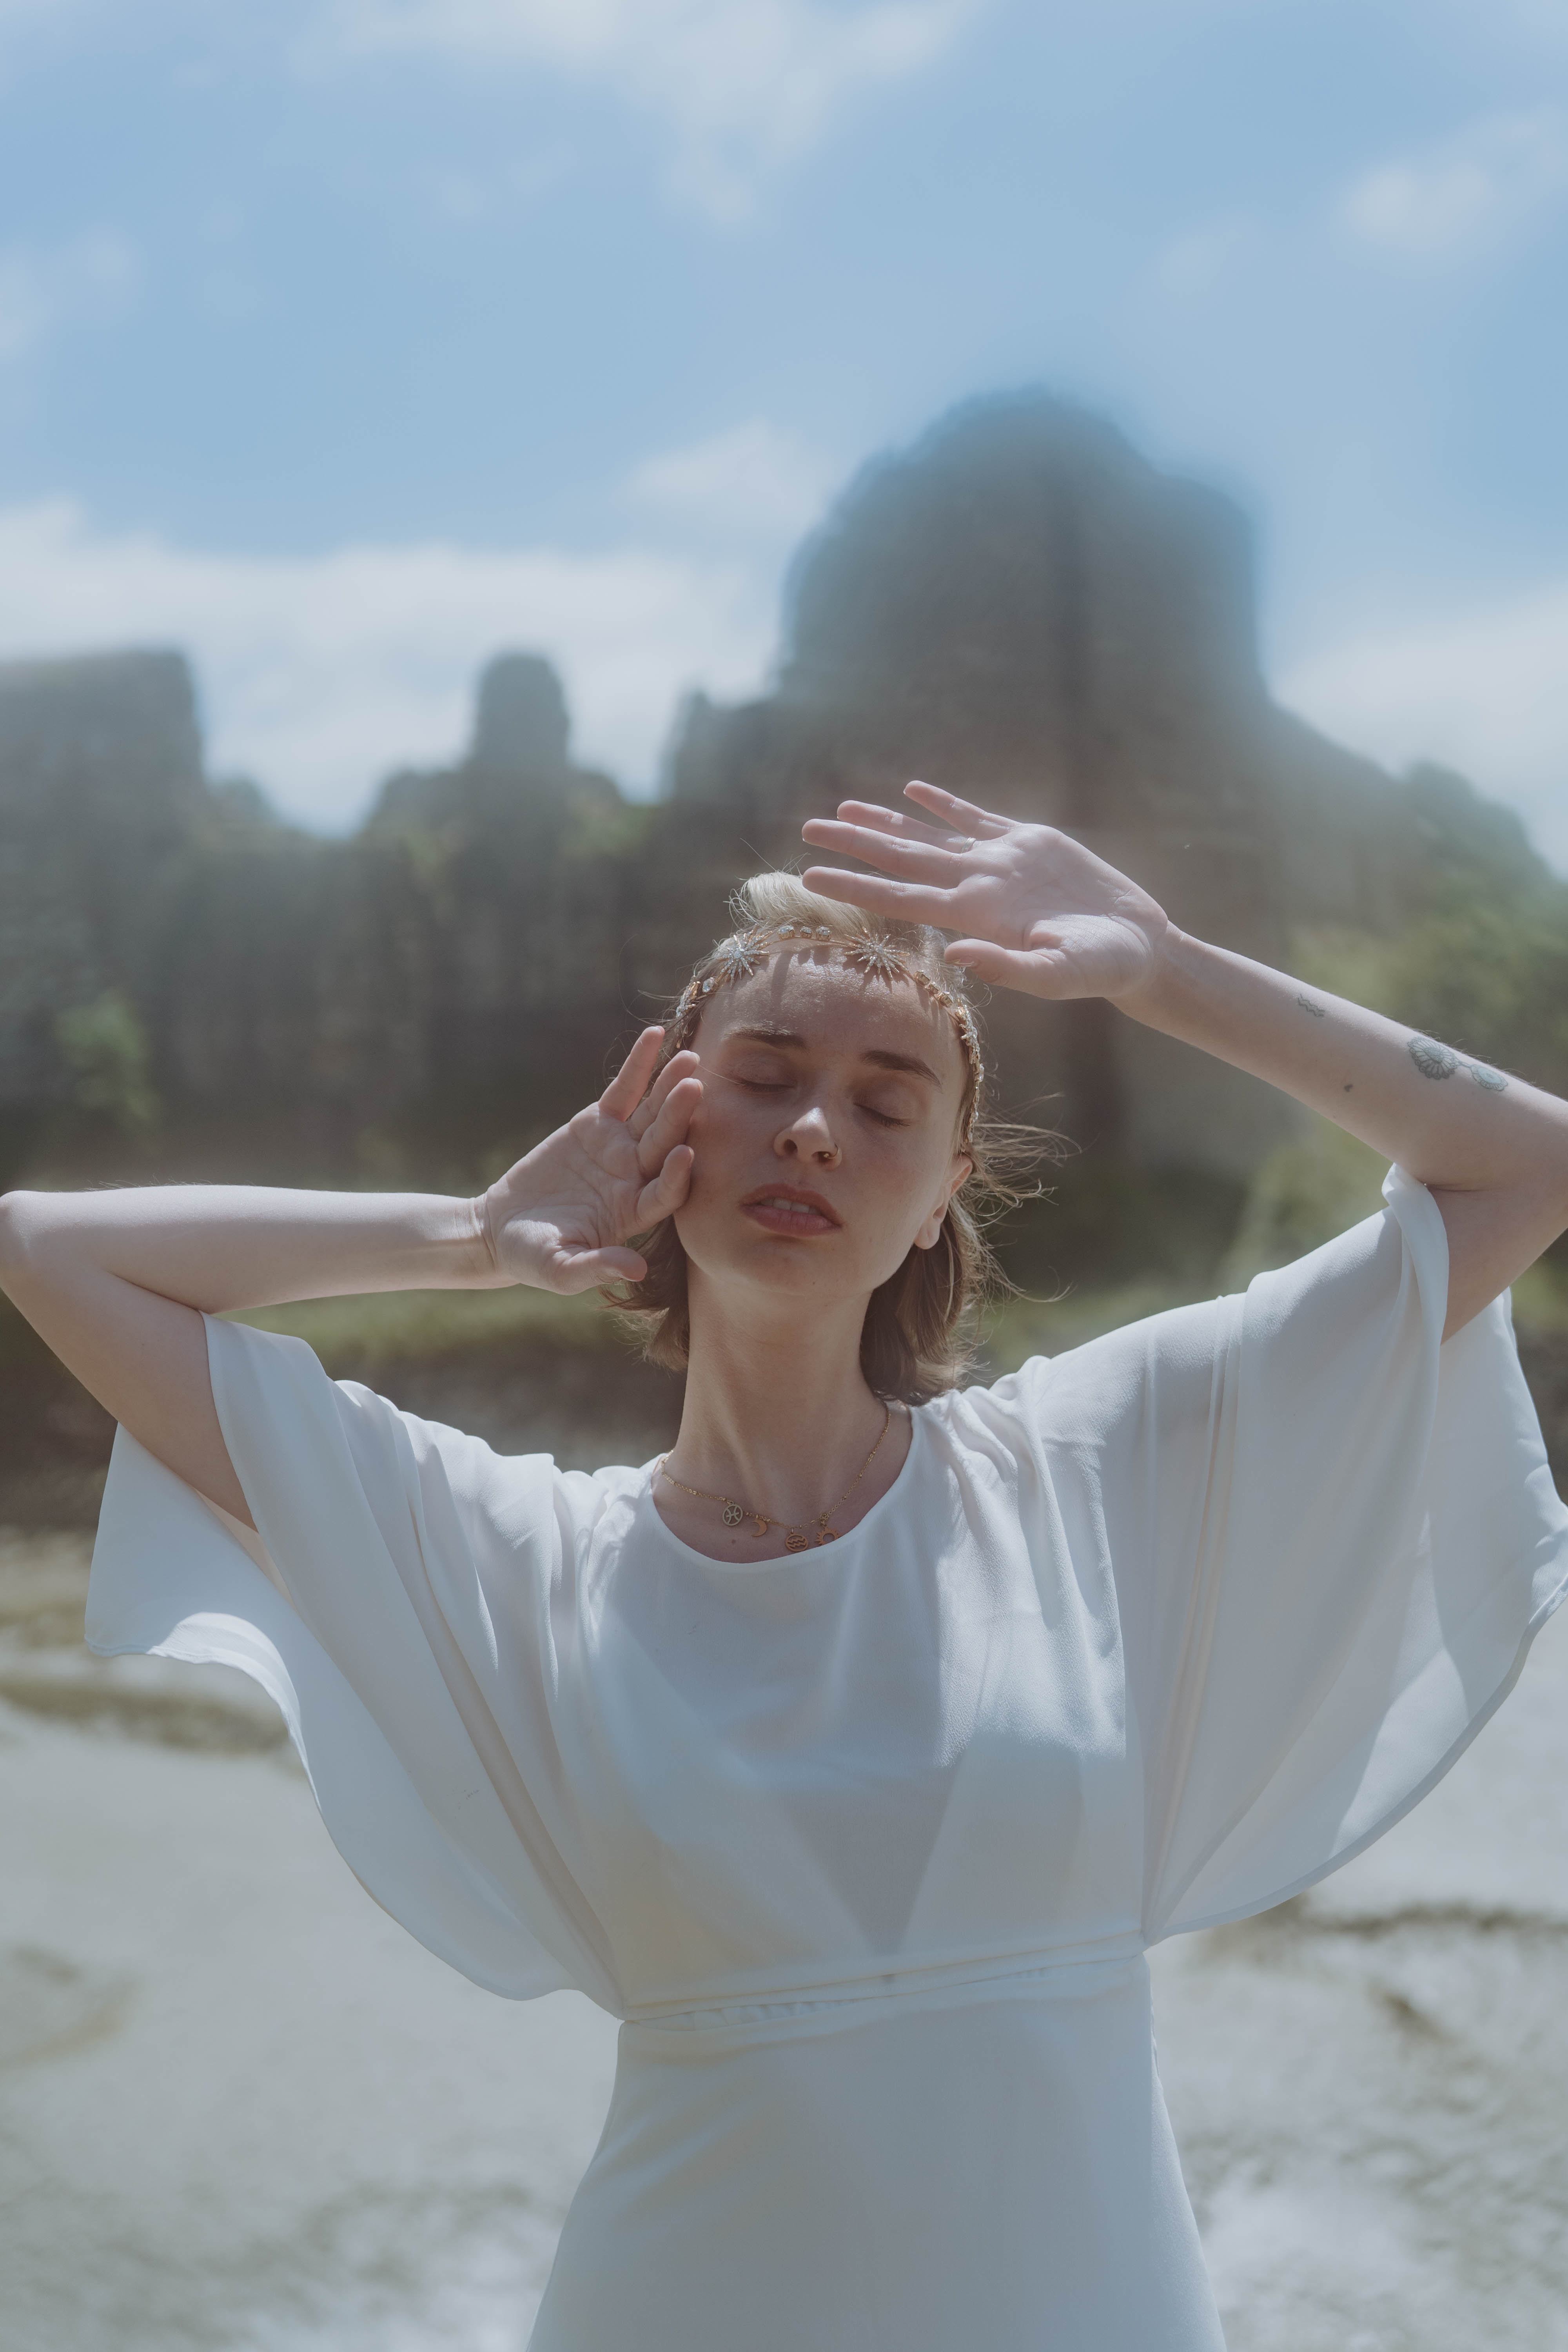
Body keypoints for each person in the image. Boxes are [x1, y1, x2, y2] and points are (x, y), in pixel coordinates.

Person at [3, 780, 1565, 2350]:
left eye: (888, 1103)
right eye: (763, 1078)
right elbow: (53, 1251)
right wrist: (473, 1235)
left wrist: (1155, 962)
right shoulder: (520, 1558)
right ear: (673, 1125)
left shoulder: (1090, 1466)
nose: (816, 1126)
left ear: (944, 1186)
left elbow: (1521, 1165)